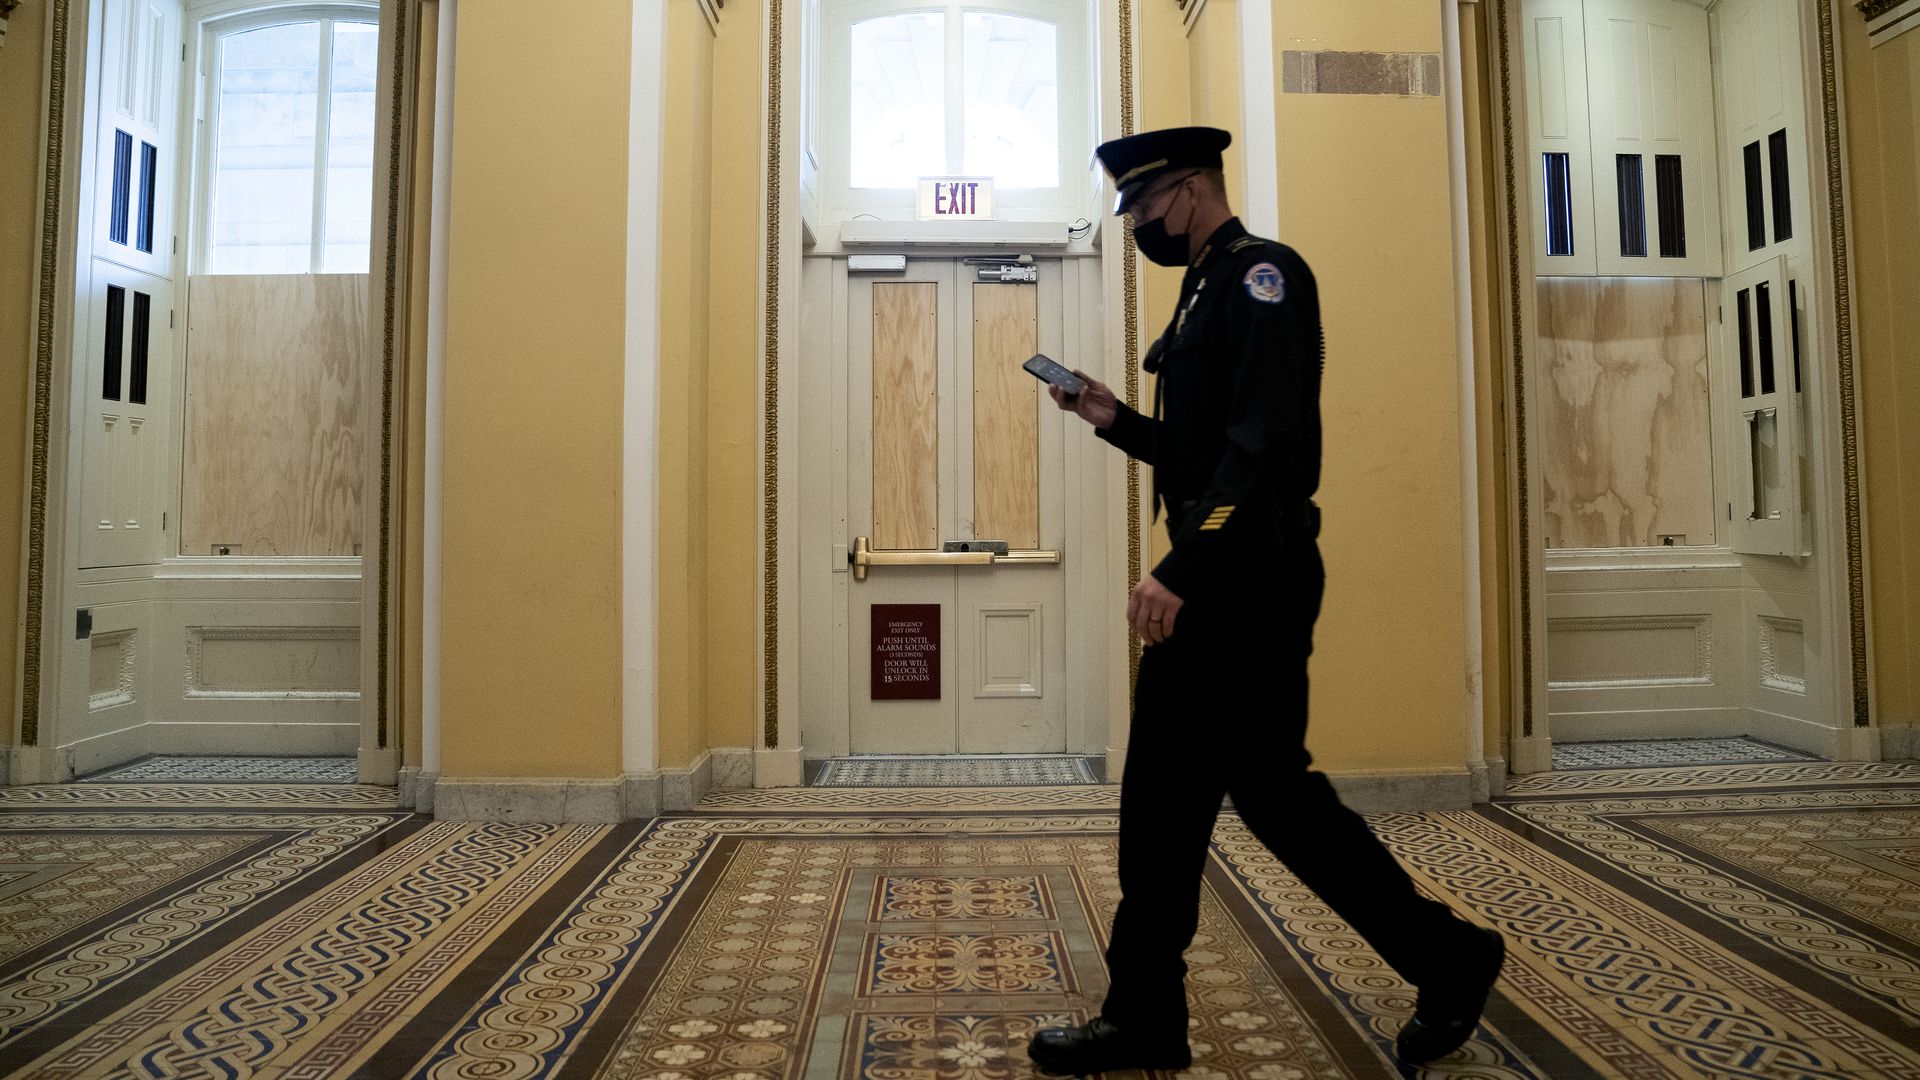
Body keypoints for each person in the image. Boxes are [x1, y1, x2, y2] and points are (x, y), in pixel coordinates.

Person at [1024, 126, 1505, 1075]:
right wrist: (1116, 421)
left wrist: (1181, 569)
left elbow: (1266, 452)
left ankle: (1451, 954)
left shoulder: (1262, 278)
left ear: (1194, 188)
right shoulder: (1203, 283)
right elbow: (1205, 455)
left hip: (1252, 583)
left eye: (1145, 207)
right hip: (1217, 575)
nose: (1138, 227)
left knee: (1277, 801)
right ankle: (1144, 1019)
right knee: (1162, 802)